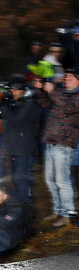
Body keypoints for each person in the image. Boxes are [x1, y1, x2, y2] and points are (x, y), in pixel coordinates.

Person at [33, 69, 79, 227]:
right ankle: (58, 210)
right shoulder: (62, 93)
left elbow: (68, 107)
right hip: (51, 142)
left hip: (64, 144)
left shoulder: (75, 97)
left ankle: (69, 215)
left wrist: (53, 91)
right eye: (66, 76)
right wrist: (40, 89)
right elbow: (44, 103)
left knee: (62, 181)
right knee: (50, 180)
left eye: (70, 77)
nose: (66, 79)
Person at [0, 79, 40, 202]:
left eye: (15, 90)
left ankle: (24, 206)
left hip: (23, 147)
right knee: (14, 179)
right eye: (11, 90)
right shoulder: (15, 102)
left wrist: (5, 106)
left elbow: (16, 120)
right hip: (13, 146)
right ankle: (18, 203)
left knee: (20, 178)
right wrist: (3, 101)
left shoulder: (30, 103)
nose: (12, 92)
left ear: (22, 90)